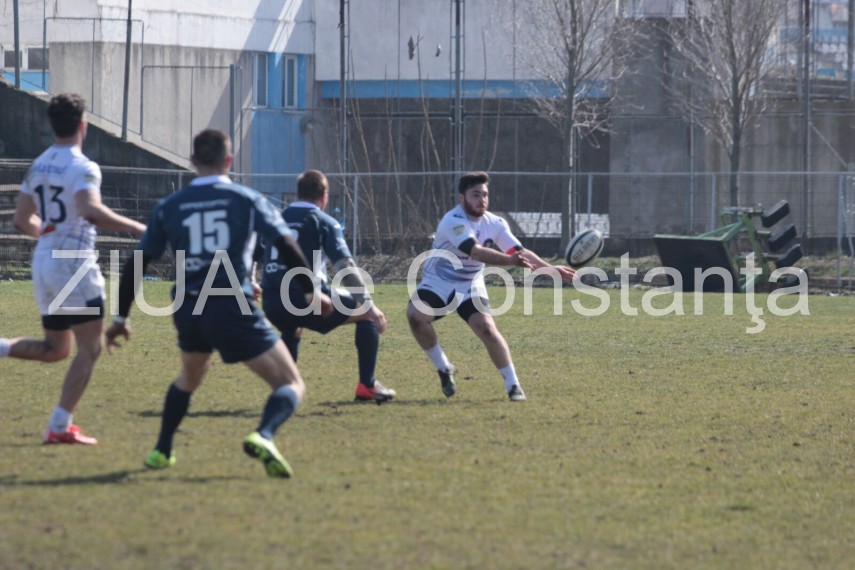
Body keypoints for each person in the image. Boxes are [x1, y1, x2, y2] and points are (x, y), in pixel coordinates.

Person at [105, 129, 331, 478]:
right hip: (229, 304)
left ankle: (162, 450)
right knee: (291, 383)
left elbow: (138, 262)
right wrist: (310, 288)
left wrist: (120, 316)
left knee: (191, 374)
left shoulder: (170, 206)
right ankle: (264, 435)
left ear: (192, 160)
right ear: (229, 161)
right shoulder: (246, 200)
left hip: (187, 307)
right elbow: (286, 245)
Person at [0, 93, 147, 445]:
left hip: (45, 258)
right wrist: (141, 228)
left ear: (52, 125)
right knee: (91, 347)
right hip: (73, 262)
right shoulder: (83, 167)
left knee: (57, 349)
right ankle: (60, 425)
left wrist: (48, 236)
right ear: (84, 125)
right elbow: (90, 210)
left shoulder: (38, 165)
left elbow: (22, 219)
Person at [406, 171, 576, 402]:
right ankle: (444, 367)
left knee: (486, 328)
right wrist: (509, 261)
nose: (482, 200)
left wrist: (549, 269)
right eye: (475, 195)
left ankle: (513, 385)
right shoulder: (453, 221)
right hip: (439, 281)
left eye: (485, 195)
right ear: (462, 198)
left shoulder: (495, 223)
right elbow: (475, 251)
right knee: (416, 316)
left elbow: (519, 252)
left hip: (470, 285)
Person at [259, 170, 396, 403]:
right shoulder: (323, 221)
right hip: (306, 299)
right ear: (324, 195)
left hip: (271, 301)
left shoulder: (276, 219)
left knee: (292, 329)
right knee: (366, 317)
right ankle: (367, 385)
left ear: (297, 194)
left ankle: (284, 388)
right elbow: (345, 266)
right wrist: (369, 305)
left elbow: (255, 254)